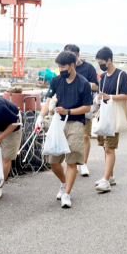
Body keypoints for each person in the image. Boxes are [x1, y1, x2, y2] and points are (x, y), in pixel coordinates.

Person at [36, 51, 93, 208]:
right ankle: (63, 182)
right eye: (58, 66)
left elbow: (87, 107)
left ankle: (67, 194)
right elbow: (48, 101)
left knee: (72, 159)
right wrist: (40, 117)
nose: (60, 69)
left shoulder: (83, 84)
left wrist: (68, 111)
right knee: (53, 161)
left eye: (63, 66)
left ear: (72, 65)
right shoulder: (55, 81)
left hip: (75, 122)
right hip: (58, 122)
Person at [94, 47, 127, 193]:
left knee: (109, 148)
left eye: (102, 62)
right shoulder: (102, 77)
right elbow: (102, 94)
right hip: (104, 115)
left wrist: (110, 97)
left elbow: (126, 95)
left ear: (109, 60)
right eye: (98, 63)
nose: (101, 65)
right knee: (105, 147)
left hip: (114, 116)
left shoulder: (122, 75)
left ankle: (106, 180)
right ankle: (110, 176)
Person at [64, 44, 98, 177]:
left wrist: (82, 83)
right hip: (68, 107)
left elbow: (95, 86)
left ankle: (83, 163)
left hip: (84, 106)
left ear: (78, 55)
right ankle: (72, 163)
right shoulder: (64, 67)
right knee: (70, 137)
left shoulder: (88, 67)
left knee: (85, 136)